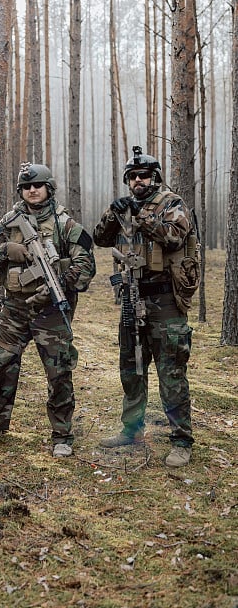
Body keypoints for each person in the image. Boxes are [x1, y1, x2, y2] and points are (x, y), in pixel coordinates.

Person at [0, 162, 96, 458]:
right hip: (14, 308)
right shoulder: (9, 221)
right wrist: (7, 250)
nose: (32, 190)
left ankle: (62, 434)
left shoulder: (65, 224)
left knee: (59, 373)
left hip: (51, 311)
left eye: (37, 186)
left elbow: (86, 264)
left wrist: (60, 282)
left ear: (48, 188)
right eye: (26, 187)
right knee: (3, 366)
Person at [93, 146, 199, 468]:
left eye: (144, 175)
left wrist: (141, 218)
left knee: (171, 371)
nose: (138, 181)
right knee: (132, 368)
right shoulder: (124, 208)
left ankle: (181, 439)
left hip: (165, 301)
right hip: (131, 295)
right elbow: (100, 238)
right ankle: (132, 429)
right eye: (133, 177)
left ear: (155, 177)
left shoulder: (172, 203)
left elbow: (174, 237)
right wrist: (114, 214)